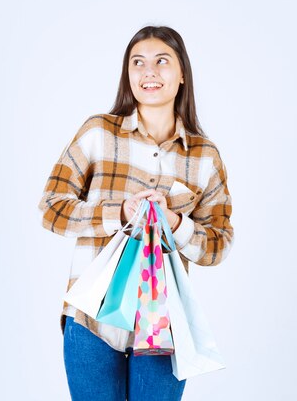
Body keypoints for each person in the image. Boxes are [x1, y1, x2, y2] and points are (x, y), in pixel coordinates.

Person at [38, 25, 234, 401]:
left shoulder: (204, 157)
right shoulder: (98, 133)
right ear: (128, 76)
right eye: (138, 63)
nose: (149, 72)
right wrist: (118, 213)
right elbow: (50, 208)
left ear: (182, 76)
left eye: (162, 61)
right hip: (90, 319)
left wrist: (176, 223)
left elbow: (219, 244)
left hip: (164, 325)